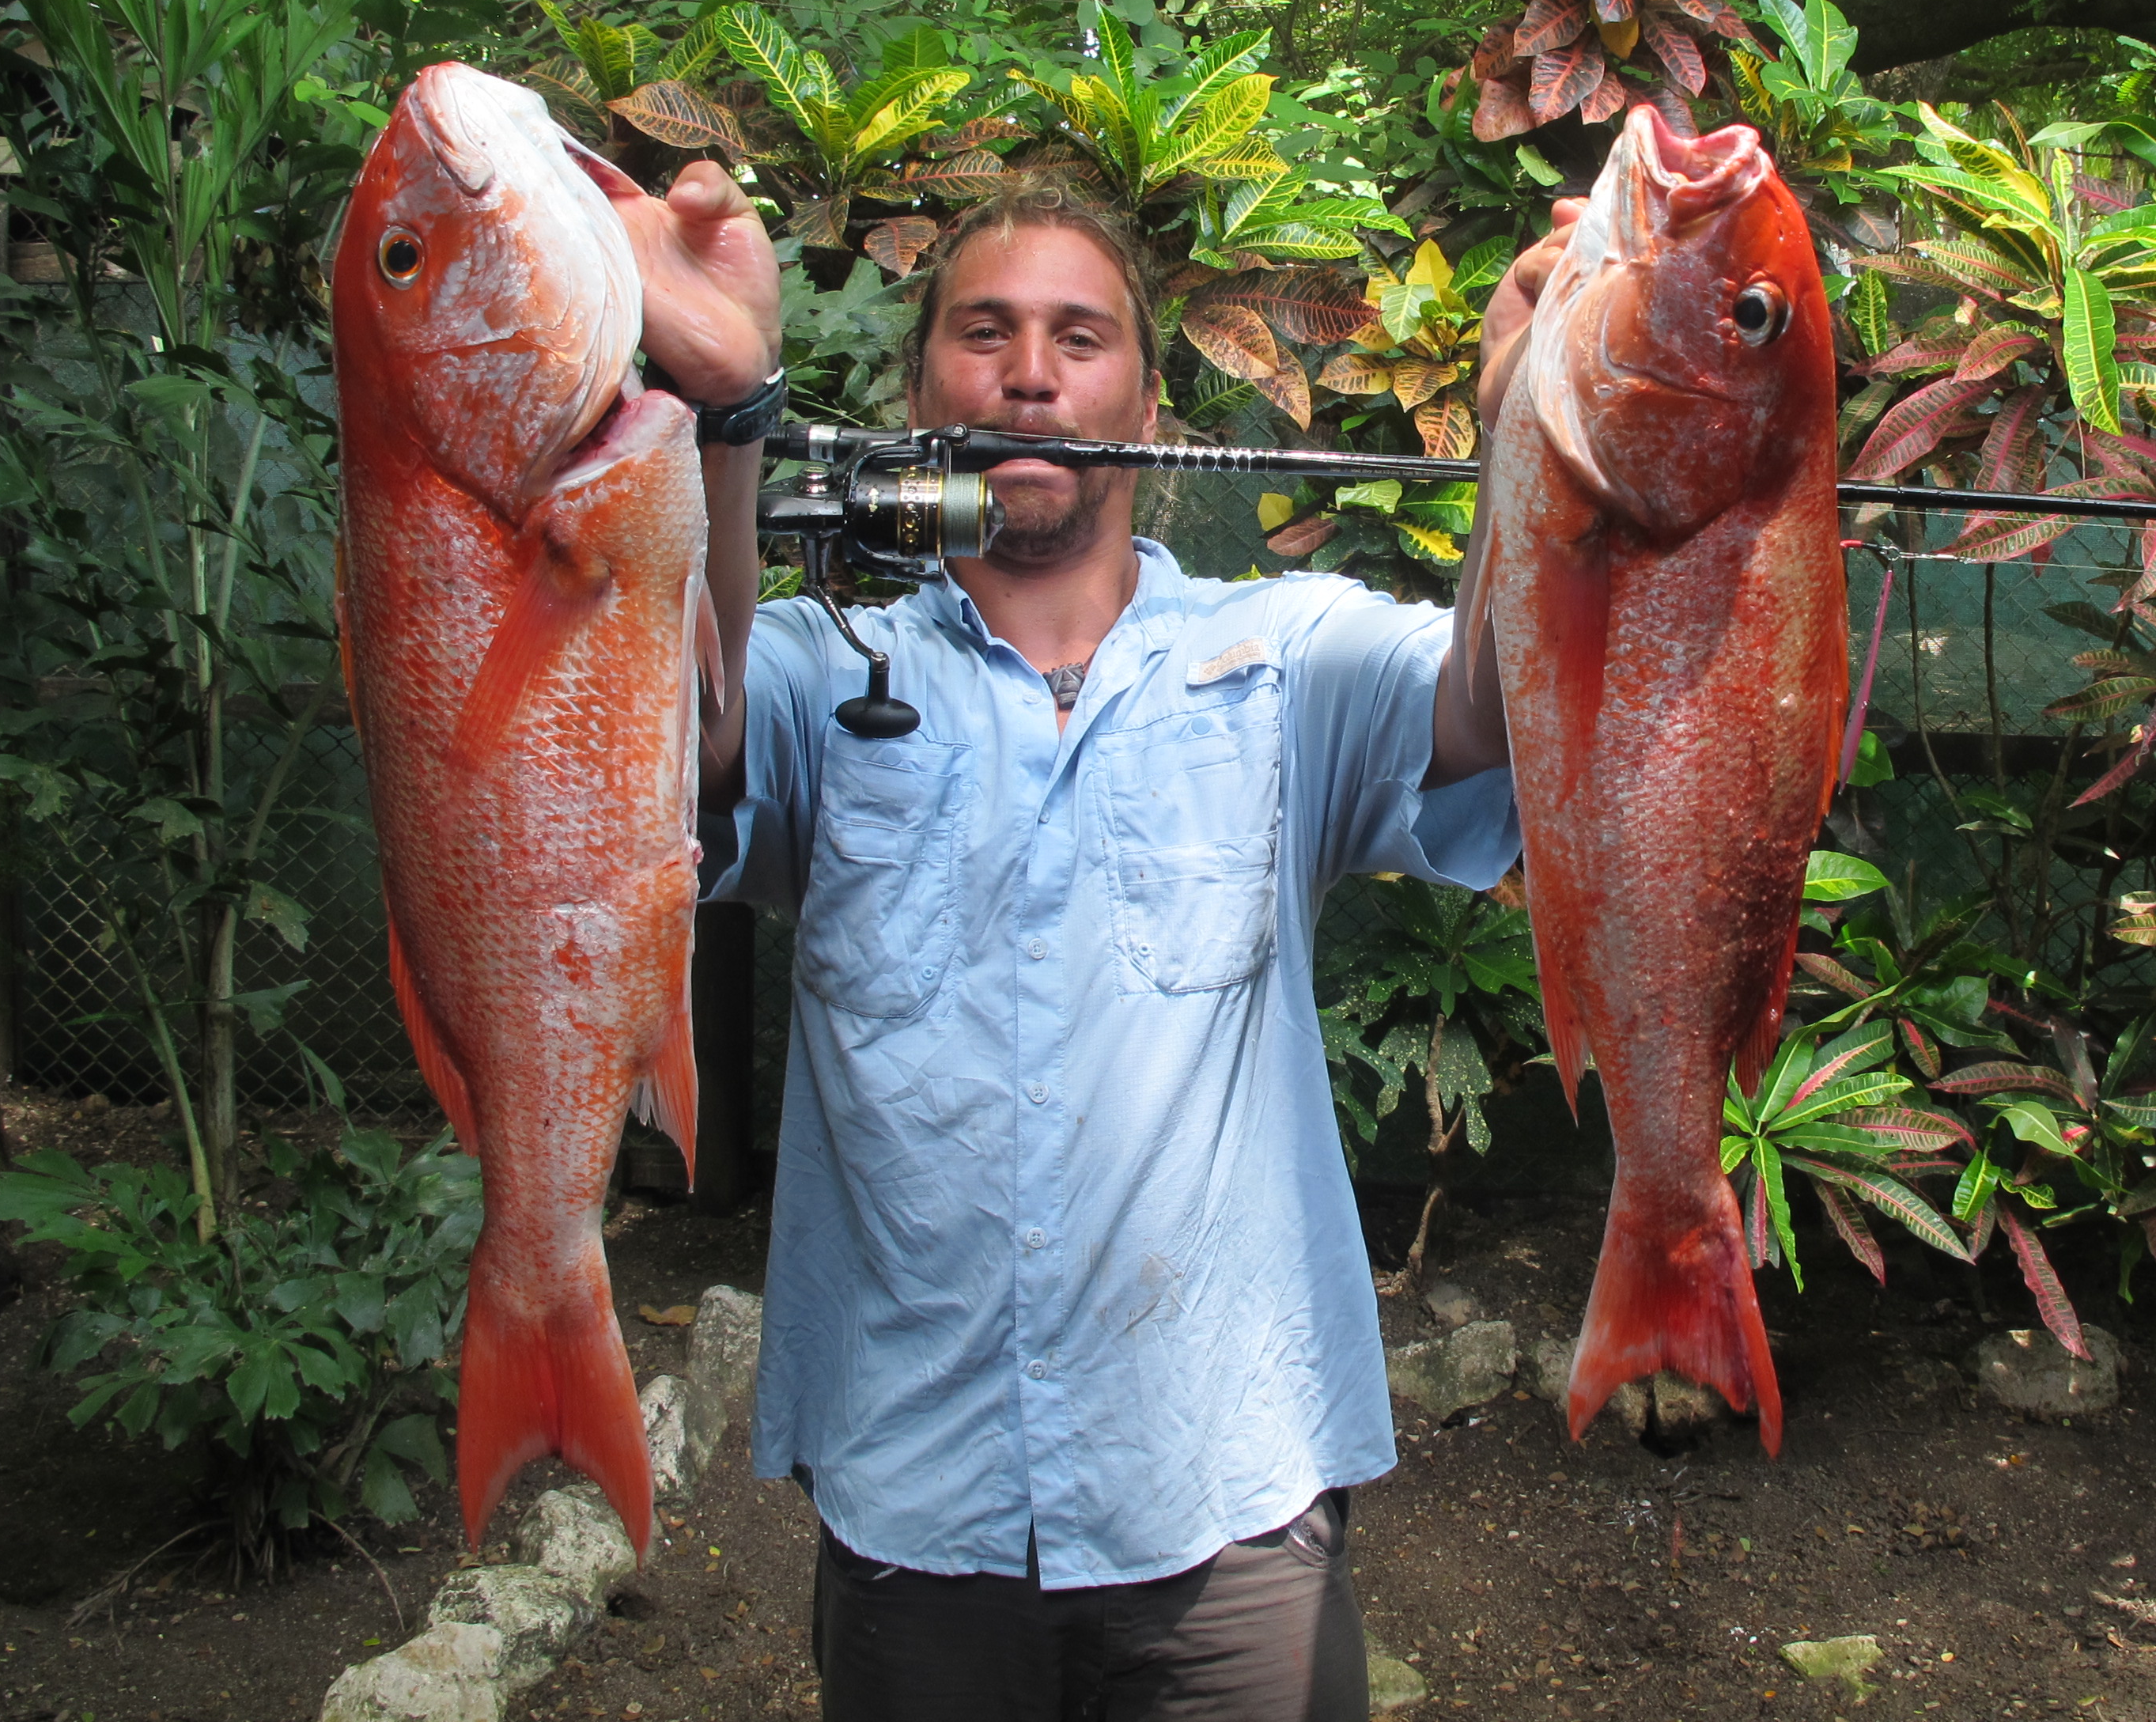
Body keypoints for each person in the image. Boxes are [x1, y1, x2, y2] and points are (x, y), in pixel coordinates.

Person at [619, 159, 1573, 1721]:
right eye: (984, 332)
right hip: (917, 1504)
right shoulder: (830, 660)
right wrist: (726, 409)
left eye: (1080, 335)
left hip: (1221, 1503)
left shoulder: (1283, 656)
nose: (1032, 375)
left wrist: (1532, 434)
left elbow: (1490, 709)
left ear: (1151, 399)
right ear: (922, 381)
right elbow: (678, 747)